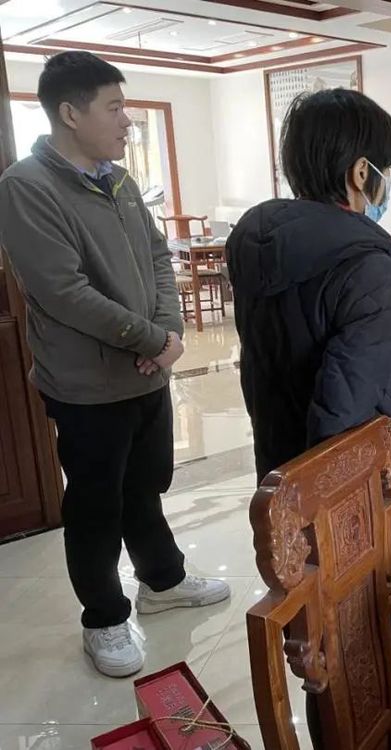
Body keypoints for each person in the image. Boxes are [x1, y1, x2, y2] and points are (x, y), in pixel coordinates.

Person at [225, 89, 391, 714]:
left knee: (328, 649)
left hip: (285, 468)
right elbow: (347, 413)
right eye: (390, 169)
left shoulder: (257, 242)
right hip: (354, 492)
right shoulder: (363, 263)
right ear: (362, 172)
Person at [0, 51, 230, 678]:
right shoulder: (27, 187)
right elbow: (61, 291)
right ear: (70, 113)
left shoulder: (120, 182)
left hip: (145, 370)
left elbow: (158, 259)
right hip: (86, 382)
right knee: (96, 503)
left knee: (145, 485)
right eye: (116, 107)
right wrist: (150, 339)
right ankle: (102, 617)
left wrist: (169, 332)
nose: (128, 121)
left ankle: (163, 582)